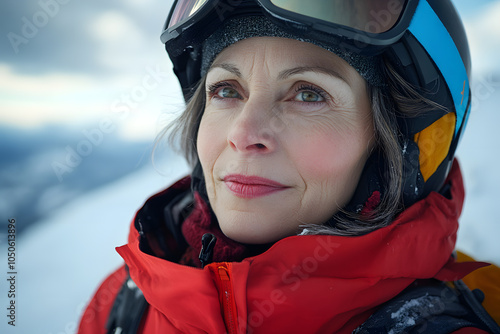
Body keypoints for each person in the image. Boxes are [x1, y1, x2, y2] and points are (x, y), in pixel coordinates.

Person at [78, 0, 500, 333]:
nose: (244, 133)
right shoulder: (122, 305)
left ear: (393, 150)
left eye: (309, 94)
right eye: (226, 89)